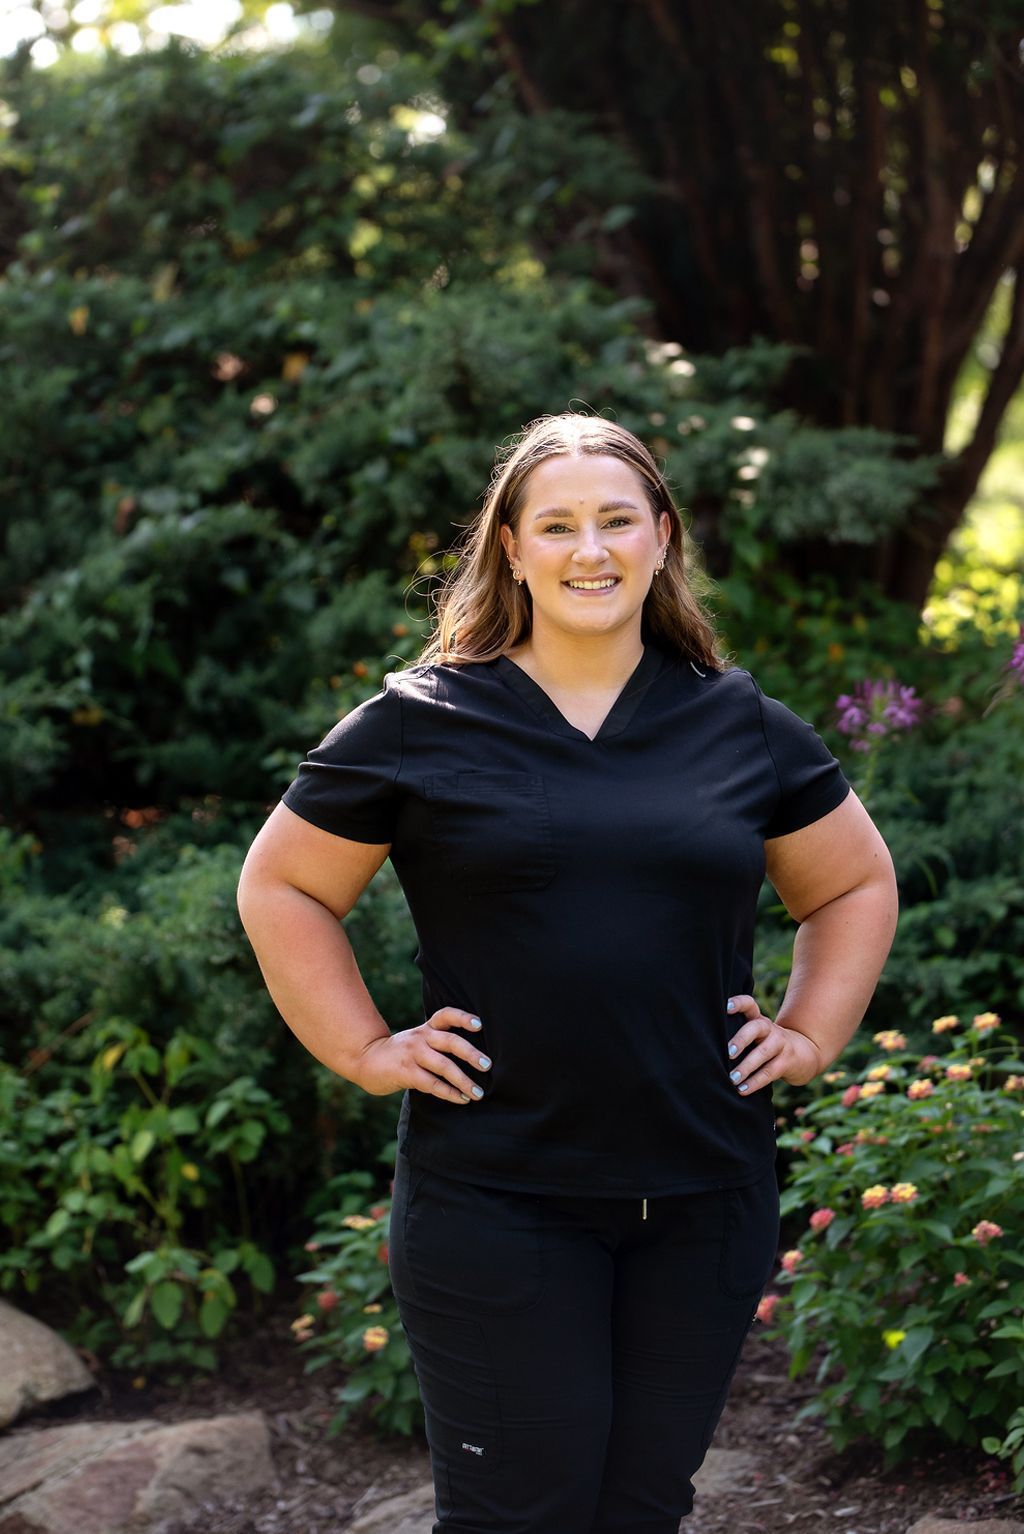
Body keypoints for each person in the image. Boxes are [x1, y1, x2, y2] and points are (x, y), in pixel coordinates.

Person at [236, 412, 898, 1533]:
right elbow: (283, 886)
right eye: (556, 525)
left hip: (703, 1197)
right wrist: (363, 1047)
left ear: (660, 538)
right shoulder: (419, 720)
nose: (588, 550)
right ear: (509, 546)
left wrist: (811, 1031)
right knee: (518, 1513)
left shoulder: (738, 723)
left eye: (614, 521)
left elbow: (851, 884)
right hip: (496, 1196)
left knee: (642, 1507)